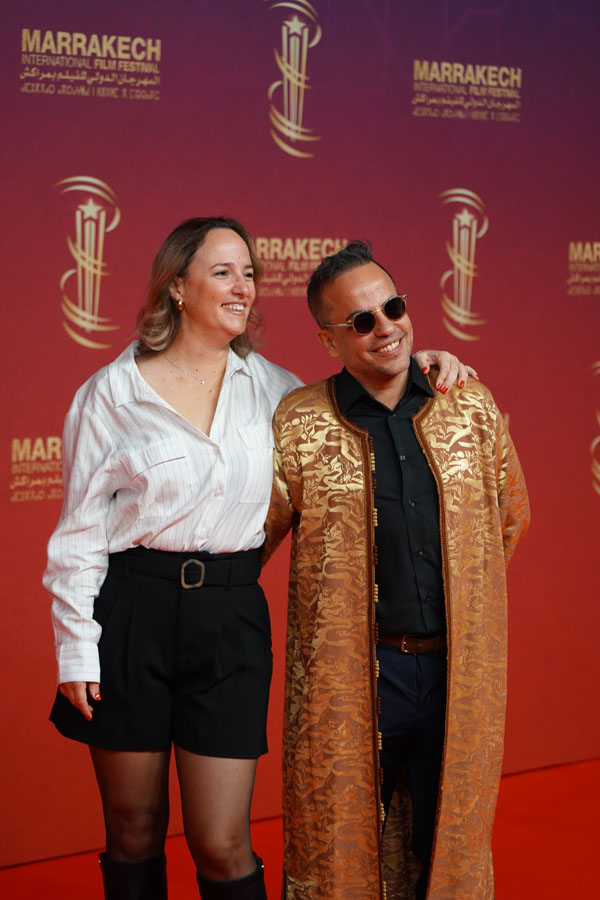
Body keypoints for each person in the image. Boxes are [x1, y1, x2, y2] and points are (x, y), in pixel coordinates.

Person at [44, 218, 470, 900]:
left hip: (230, 620)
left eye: (248, 273)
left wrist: (423, 365)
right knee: (132, 829)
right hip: (130, 615)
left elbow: (367, 395)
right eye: (223, 272)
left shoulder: (279, 392)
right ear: (176, 287)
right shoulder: (111, 393)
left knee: (222, 843)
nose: (242, 286)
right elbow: (79, 536)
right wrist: (76, 652)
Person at [263, 240, 530, 900]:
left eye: (393, 308)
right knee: (341, 853)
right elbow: (253, 532)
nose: (385, 328)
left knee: (446, 847)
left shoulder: (468, 404)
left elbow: (509, 517)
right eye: (361, 321)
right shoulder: (298, 422)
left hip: (456, 673)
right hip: (350, 679)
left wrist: (465, 597)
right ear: (329, 340)